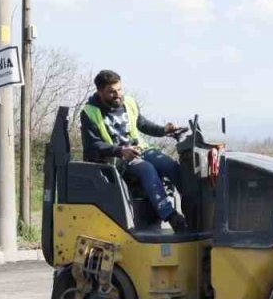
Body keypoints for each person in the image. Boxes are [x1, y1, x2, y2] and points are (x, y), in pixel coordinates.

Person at [80, 70, 190, 231]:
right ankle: (171, 217)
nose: (117, 95)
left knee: (169, 165)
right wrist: (120, 151)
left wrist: (164, 130)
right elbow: (93, 145)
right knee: (147, 169)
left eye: (119, 90)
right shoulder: (89, 112)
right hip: (118, 159)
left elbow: (142, 124)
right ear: (100, 92)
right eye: (111, 92)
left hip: (140, 150)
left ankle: (192, 207)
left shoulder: (129, 103)